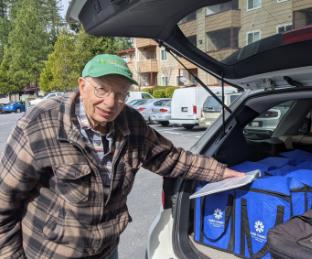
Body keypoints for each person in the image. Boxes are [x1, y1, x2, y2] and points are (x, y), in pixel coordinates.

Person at [0, 54, 244, 258]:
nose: (110, 102)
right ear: (82, 86)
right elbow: (4, 203)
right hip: (52, 253)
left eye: (120, 94)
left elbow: (171, 158)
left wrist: (222, 172)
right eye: (102, 89)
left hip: (107, 250)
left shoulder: (131, 123)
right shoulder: (42, 122)